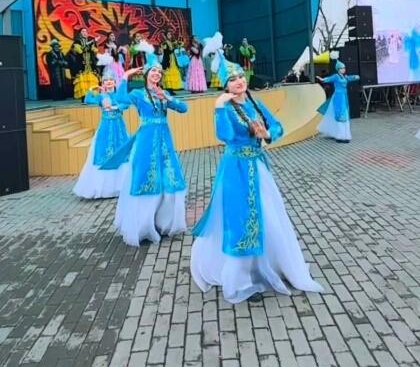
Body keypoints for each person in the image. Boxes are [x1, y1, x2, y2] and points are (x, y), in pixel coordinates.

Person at [191, 36, 323, 304]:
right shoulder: (226, 109)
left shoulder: (254, 103)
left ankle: (269, 265)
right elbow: (225, 135)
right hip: (236, 170)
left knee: (268, 217)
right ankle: (241, 280)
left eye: (241, 76)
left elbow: (277, 126)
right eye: (232, 79)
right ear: (225, 85)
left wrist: (267, 134)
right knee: (241, 220)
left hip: (259, 168)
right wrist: (218, 107)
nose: (239, 81)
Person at [110, 50, 188, 246]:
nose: (157, 74)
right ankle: (144, 226)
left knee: (168, 178)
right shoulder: (138, 94)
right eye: (153, 71)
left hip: (164, 140)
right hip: (146, 140)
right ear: (146, 74)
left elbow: (183, 108)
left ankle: (164, 223)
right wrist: (125, 77)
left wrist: (167, 98)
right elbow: (120, 99)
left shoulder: (163, 93)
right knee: (146, 177)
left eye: (159, 72)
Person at [73, 72, 130, 199]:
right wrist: (91, 89)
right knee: (104, 153)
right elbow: (88, 100)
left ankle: (121, 186)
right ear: (103, 83)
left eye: (111, 80)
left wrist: (115, 107)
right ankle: (105, 188)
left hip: (119, 127)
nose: (109, 82)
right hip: (105, 127)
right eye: (106, 80)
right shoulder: (101, 96)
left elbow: (126, 103)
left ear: (115, 82)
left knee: (122, 152)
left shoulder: (119, 94)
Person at [316, 60, 360, 143]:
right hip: (338, 98)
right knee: (340, 115)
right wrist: (322, 79)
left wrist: (356, 77)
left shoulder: (344, 77)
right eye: (342, 68)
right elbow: (327, 79)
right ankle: (341, 136)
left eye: (344, 68)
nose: (343, 69)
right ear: (338, 69)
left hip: (344, 97)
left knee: (345, 115)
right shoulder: (336, 76)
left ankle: (345, 135)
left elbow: (351, 78)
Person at [71, 28, 99, 99]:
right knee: (82, 82)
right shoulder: (77, 42)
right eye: (83, 31)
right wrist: (90, 43)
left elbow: (95, 50)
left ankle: (92, 96)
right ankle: (84, 97)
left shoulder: (90, 41)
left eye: (86, 31)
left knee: (91, 80)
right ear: (80, 33)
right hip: (81, 64)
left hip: (90, 64)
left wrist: (94, 43)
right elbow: (80, 51)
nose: (85, 32)